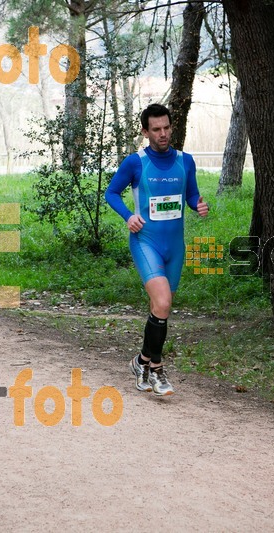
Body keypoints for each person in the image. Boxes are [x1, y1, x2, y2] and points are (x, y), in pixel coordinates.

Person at [105, 104, 209, 396]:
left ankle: (142, 363)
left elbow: (190, 195)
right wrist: (129, 216)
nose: (162, 134)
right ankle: (158, 370)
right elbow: (111, 192)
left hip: (175, 246)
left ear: (171, 127)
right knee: (162, 303)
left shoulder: (185, 161)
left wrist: (197, 204)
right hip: (146, 241)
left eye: (166, 128)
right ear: (145, 131)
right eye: (156, 129)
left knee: (159, 309)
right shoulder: (135, 163)